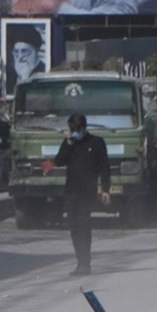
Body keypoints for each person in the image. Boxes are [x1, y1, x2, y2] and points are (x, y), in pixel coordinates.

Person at [47, 112, 111, 275]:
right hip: (71, 191)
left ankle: (85, 263)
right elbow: (59, 161)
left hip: (87, 191)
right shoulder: (70, 143)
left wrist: (105, 189)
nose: (74, 132)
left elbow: (104, 167)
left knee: (84, 225)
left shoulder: (96, 143)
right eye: (71, 129)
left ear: (83, 127)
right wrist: (68, 143)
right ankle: (79, 260)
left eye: (76, 129)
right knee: (74, 227)